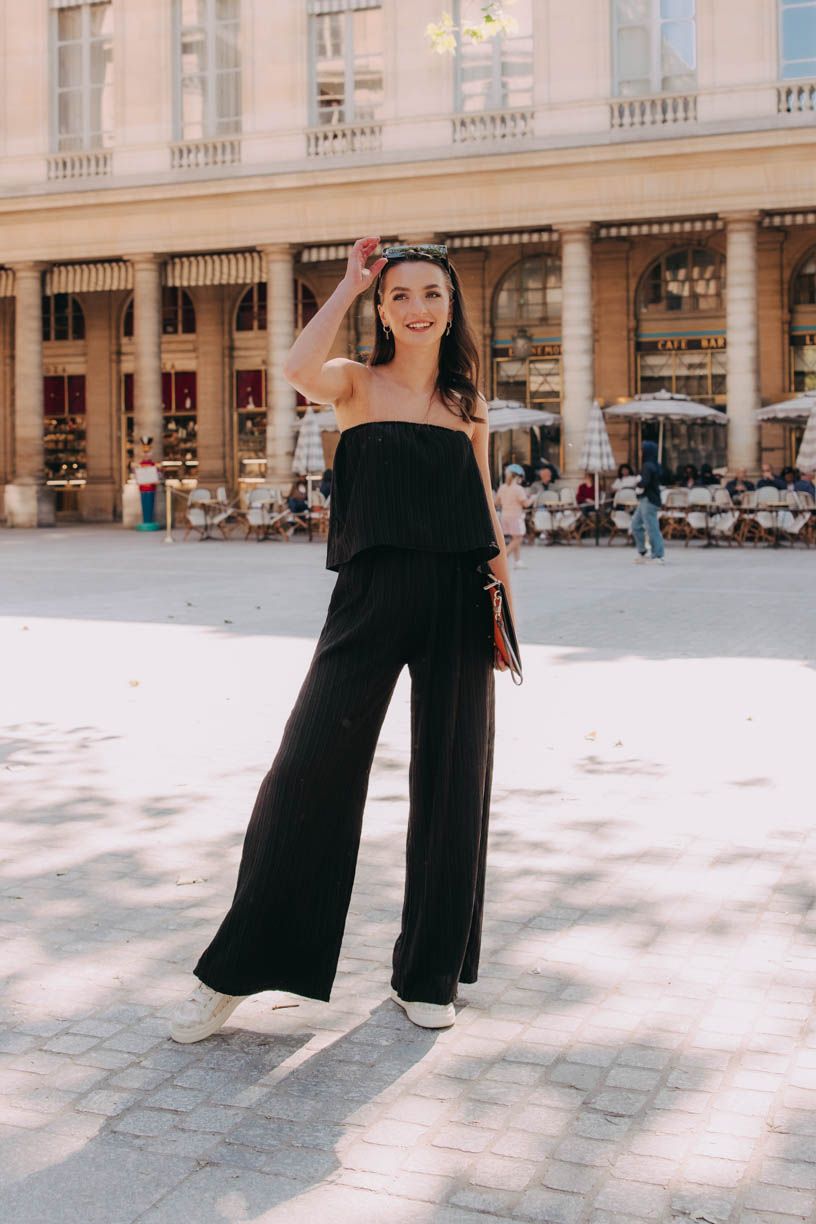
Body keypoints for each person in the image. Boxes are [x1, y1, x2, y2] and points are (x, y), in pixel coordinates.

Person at [170, 237, 512, 1044]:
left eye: (431, 294)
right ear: (383, 311)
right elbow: (296, 367)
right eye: (400, 296)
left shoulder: (467, 403)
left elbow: (485, 507)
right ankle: (235, 971)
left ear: (451, 307)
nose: (417, 308)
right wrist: (350, 285)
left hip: (461, 598)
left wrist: (504, 608)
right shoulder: (354, 382)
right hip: (369, 595)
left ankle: (428, 975)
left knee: (455, 779)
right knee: (307, 769)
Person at [632, 439, 665, 564]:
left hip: (649, 500)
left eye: (642, 450)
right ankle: (642, 551)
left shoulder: (647, 466)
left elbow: (644, 482)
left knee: (652, 528)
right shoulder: (655, 465)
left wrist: (637, 482)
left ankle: (658, 555)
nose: (640, 452)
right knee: (635, 525)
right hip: (646, 500)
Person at [495, 463, 533, 568]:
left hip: (504, 516)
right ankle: (503, 557)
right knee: (518, 539)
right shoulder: (518, 489)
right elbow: (526, 504)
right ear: (517, 476)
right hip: (516, 517)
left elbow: (496, 502)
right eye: (521, 477)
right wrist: (533, 498)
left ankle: (518, 561)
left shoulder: (502, 487)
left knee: (515, 538)